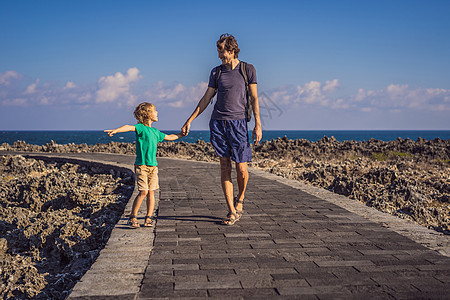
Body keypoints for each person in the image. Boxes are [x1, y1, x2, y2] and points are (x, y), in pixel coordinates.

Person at [182, 33, 262, 225]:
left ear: (232, 49)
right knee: (225, 166)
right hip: (218, 124)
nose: (219, 55)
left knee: (241, 169)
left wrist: (258, 124)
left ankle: (240, 198)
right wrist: (190, 120)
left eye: (222, 50)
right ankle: (231, 211)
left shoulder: (247, 69)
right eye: (218, 50)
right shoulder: (216, 72)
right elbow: (206, 98)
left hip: (239, 124)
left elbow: (254, 98)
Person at [105, 102, 185, 228]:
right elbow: (128, 127)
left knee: (151, 193)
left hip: (153, 167)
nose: (157, 112)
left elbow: (169, 137)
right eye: (155, 110)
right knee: (143, 192)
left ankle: (148, 217)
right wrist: (116, 131)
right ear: (147, 114)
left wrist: (181, 134)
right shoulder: (141, 128)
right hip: (141, 166)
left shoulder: (155, 131)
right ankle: (132, 216)